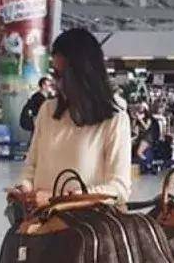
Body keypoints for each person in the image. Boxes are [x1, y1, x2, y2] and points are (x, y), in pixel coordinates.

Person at [17, 29, 132, 204]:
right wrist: (23, 188)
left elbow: (119, 188)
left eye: (63, 76)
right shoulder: (48, 111)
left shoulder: (114, 119)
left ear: (85, 75)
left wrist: (61, 200)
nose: (57, 83)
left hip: (87, 219)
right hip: (40, 217)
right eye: (55, 74)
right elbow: (31, 166)